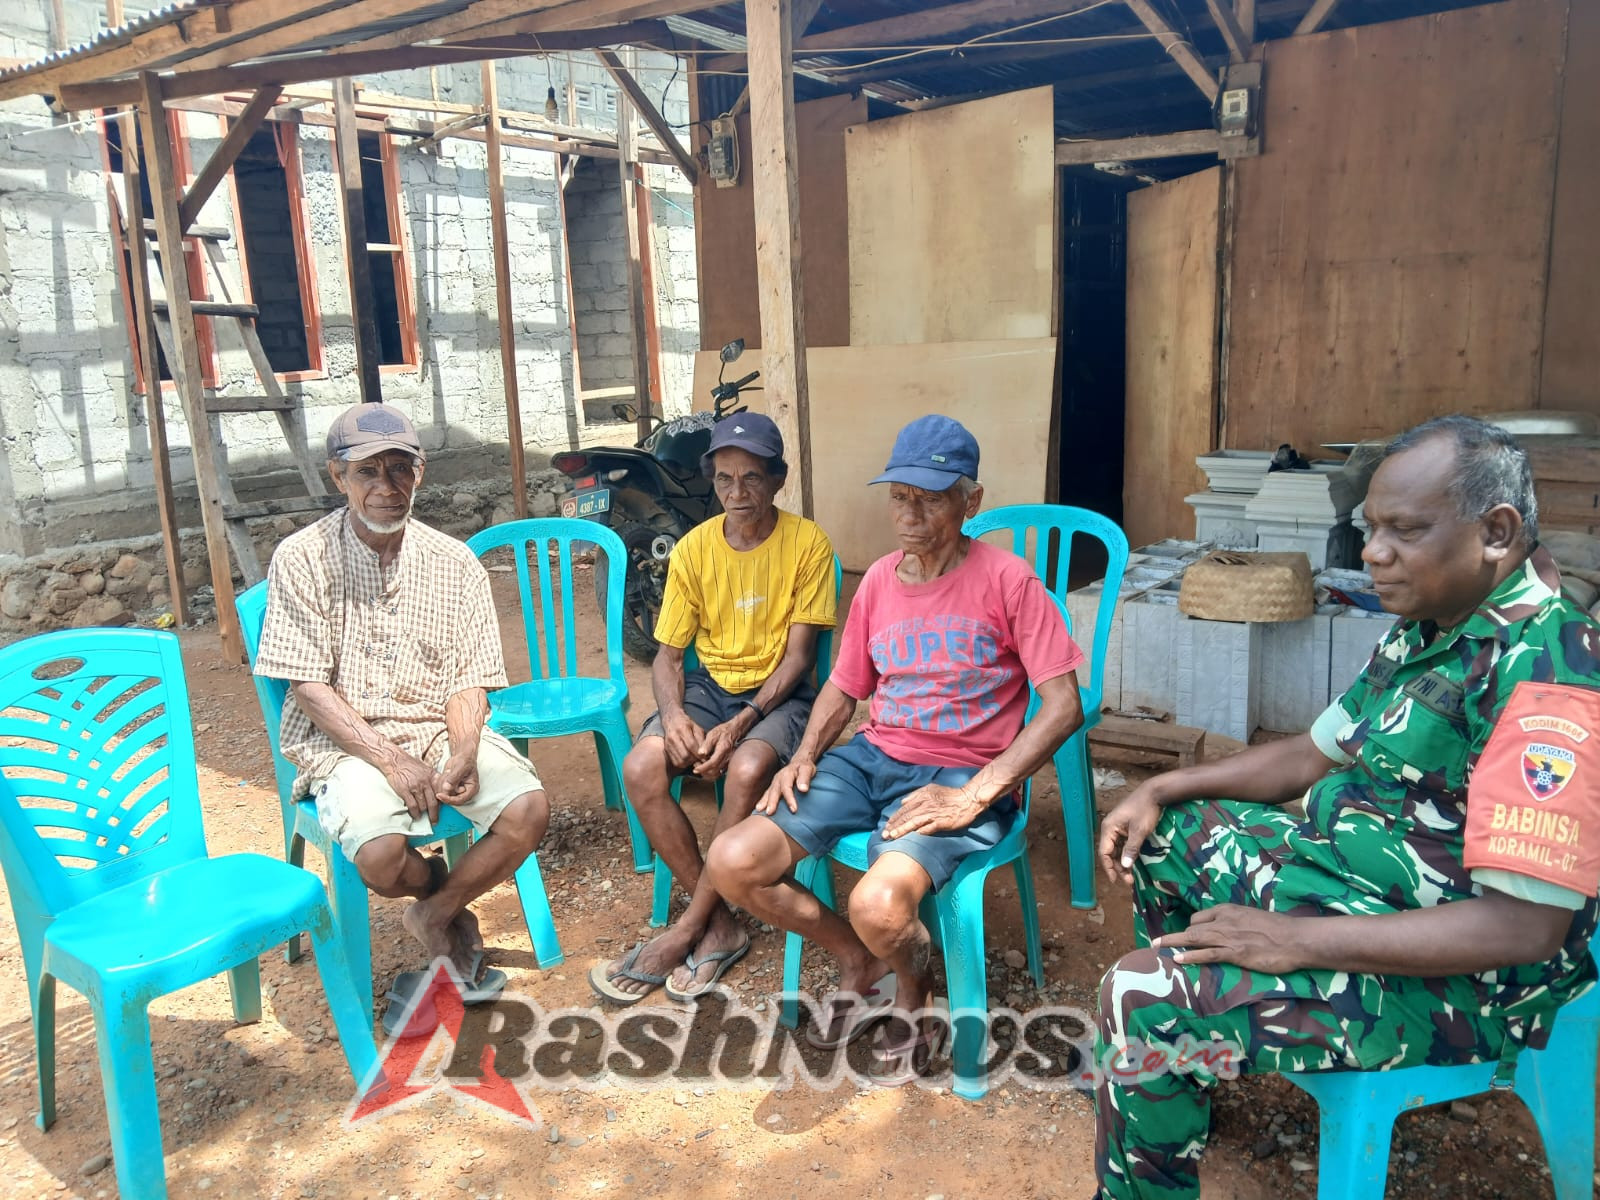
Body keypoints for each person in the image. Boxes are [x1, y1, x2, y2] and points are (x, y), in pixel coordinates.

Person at [1092, 414, 1600, 1200]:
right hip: (1346, 888)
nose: (1372, 552)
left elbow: (1524, 927)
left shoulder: (1549, 677)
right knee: (1168, 838)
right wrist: (1161, 787)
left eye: (1404, 529)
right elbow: (1313, 753)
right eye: (1370, 528)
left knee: (1141, 995)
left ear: (1496, 532)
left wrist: (1296, 940)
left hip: (1469, 979)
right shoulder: (1430, 628)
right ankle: (1194, 1070)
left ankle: (1172, 1059)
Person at [707, 414, 1085, 1084]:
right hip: (874, 759)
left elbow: (1063, 707)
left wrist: (977, 792)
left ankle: (916, 990)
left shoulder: (1008, 581)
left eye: (931, 498)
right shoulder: (880, 580)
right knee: (734, 860)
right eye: (899, 496)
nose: (909, 514)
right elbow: (845, 688)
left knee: (880, 904)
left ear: (972, 502)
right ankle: (860, 959)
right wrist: (804, 756)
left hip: (963, 771)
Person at [254, 402, 547, 1015]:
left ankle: (435, 913)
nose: (387, 489)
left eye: (401, 470)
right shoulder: (302, 558)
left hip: (437, 729)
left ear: (421, 473)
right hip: (344, 741)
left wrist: (464, 746)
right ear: (338, 478)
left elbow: (470, 679)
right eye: (368, 472)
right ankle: (446, 901)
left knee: (527, 808)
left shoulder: (454, 562)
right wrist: (389, 759)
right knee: (381, 857)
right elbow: (307, 686)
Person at [589, 413, 837, 1005]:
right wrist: (673, 716)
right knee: (643, 768)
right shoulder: (696, 549)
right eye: (724, 480)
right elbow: (668, 656)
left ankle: (688, 927)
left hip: (777, 694)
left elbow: (799, 659)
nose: (737, 494)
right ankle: (720, 925)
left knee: (748, 768)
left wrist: (742, 720)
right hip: (708, 687)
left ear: (777, 480)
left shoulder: (809, 544)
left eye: (751, 479)